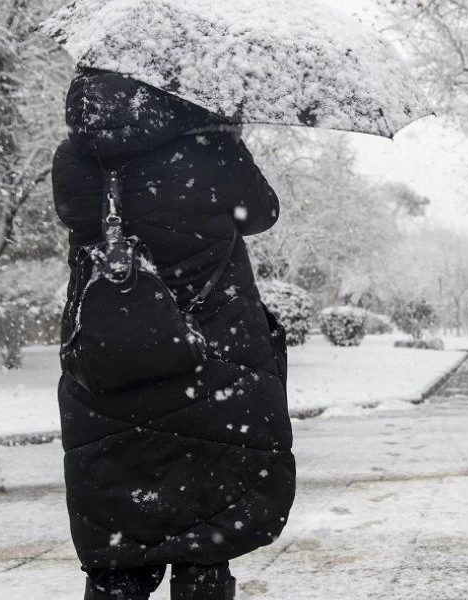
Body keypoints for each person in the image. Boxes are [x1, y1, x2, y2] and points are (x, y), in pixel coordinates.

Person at [52, 69, 295, 600]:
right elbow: (261, 213)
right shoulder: (209, 149)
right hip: (211, 362)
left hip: (111, 360)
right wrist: (225, 135)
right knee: (203, 542)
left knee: (119, 544)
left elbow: (74, 213)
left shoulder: (75, 158)